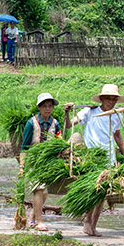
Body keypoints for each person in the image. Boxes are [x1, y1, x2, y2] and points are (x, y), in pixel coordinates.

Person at [67, 84, 124, 237]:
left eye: (114, 99)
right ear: (101, 99)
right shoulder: (89, 112)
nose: (111, 101)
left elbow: (117, 135)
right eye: (108, 98)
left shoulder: (117, 115)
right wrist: (67, 112)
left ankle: (93, 225)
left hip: (108, 157)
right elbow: (69, 124)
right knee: (92, 191)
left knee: (102, 194)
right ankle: (87, 222)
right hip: (92, 157)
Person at [19, 92, 70, 232]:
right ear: (39, 108)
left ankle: (32, 216)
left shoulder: (55, 124)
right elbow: (24, 147)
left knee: (45, 193)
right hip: (34, 162)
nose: (48, 109)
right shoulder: (31, 123)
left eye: (50, 106)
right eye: (45, 106)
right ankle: (39, 222)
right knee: (39, 189)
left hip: (49, 163)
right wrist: (22, 167)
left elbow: (59, 140)